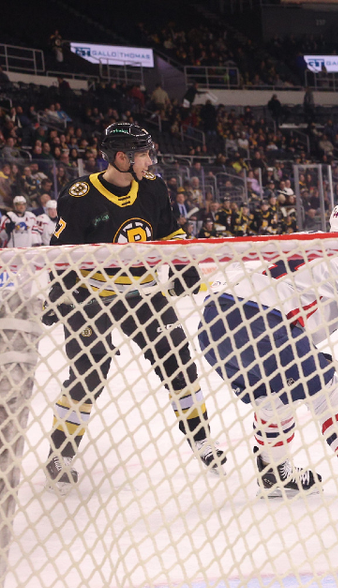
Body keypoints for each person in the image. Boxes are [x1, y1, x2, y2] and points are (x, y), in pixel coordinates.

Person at [195, 199, 338, 519]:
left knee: (275, 392)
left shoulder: (303, 238)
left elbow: (239, 273)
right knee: (327, 388)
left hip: (212, 325)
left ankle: (274, 472)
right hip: (262, 325)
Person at [42, 122, 224, 492]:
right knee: (88, 374)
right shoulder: (79, 196)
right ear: (122, 157)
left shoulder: (153, 187)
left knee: (180, 364)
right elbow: (62, 255)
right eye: (143, 154)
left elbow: (170, 233)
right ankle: (60, 453)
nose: (149, 160)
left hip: (144, 293)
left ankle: (202, 440)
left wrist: (184, 267)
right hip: (93, 296)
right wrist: (60, 294)